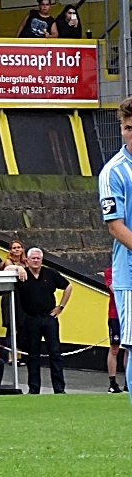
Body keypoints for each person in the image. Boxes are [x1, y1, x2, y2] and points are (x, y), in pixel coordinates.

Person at [101, 97, 132, 408]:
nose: (131, 133)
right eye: (127, 128)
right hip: (131, 276)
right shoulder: (114, 172)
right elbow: (116, 227)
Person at [15, 247, 71, 395]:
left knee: (55, 353)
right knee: (33, 355)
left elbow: (68, 286)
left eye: (38, 258)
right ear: (27, 259)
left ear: (42, 259)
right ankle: (34, 389)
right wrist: (17, 268)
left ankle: (59, 389)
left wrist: (61, 306)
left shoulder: (50, 273)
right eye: (32, 258)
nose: (35, 261)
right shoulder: (22, 274)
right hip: (31, 319)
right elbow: (5, 268)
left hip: (49, 318)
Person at [103, 265, 127, 394]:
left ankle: (128, 382)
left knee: (129, 349)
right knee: (114, 348)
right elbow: (115, 290)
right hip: (115, 315)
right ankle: (112, 383)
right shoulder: (110, 272)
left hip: (129, 315)